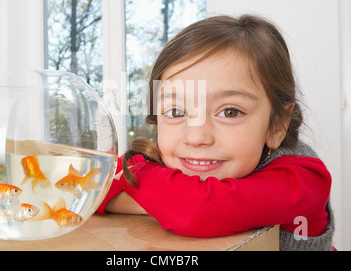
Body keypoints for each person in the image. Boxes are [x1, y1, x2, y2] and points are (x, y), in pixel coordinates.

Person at [96, 14, 334, 251]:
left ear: (277, 125)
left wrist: (141, 182)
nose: (196, 138)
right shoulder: (179, 154)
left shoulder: (305, 181)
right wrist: (157, 198)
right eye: (176, 112)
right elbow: (91, 183)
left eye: (230, 112)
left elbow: (194, 211)